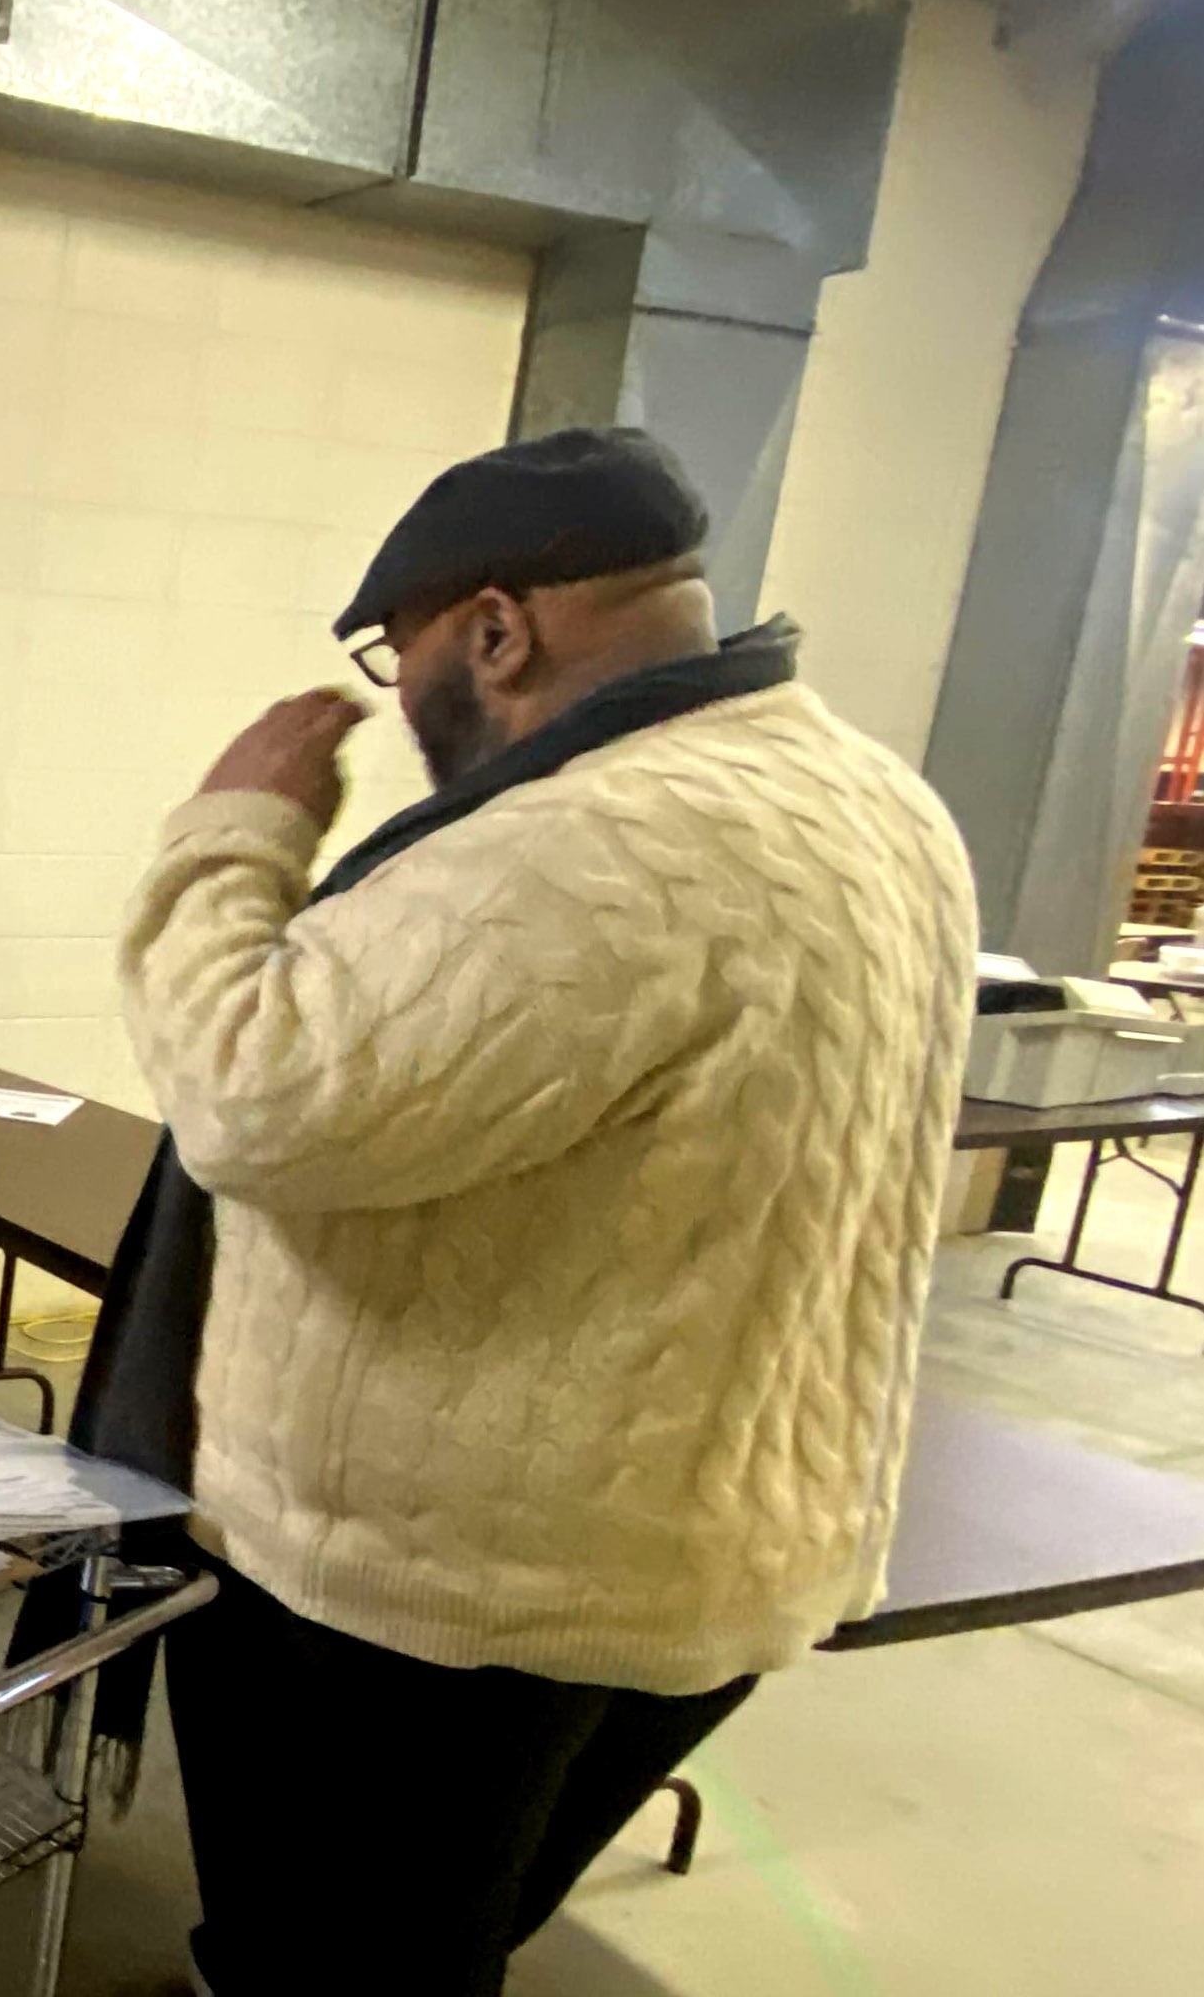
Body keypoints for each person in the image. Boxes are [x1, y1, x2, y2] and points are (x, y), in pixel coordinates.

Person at [70, 428, 976, 1996]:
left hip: (454, 1587)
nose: (396, 691)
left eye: (398, 647)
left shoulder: (591, 841)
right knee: (433, 1929)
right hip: (707, 1535)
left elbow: (249, 1099)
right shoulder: (874, 797)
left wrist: (237, 830)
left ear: (497, 628)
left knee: (338, 1959)